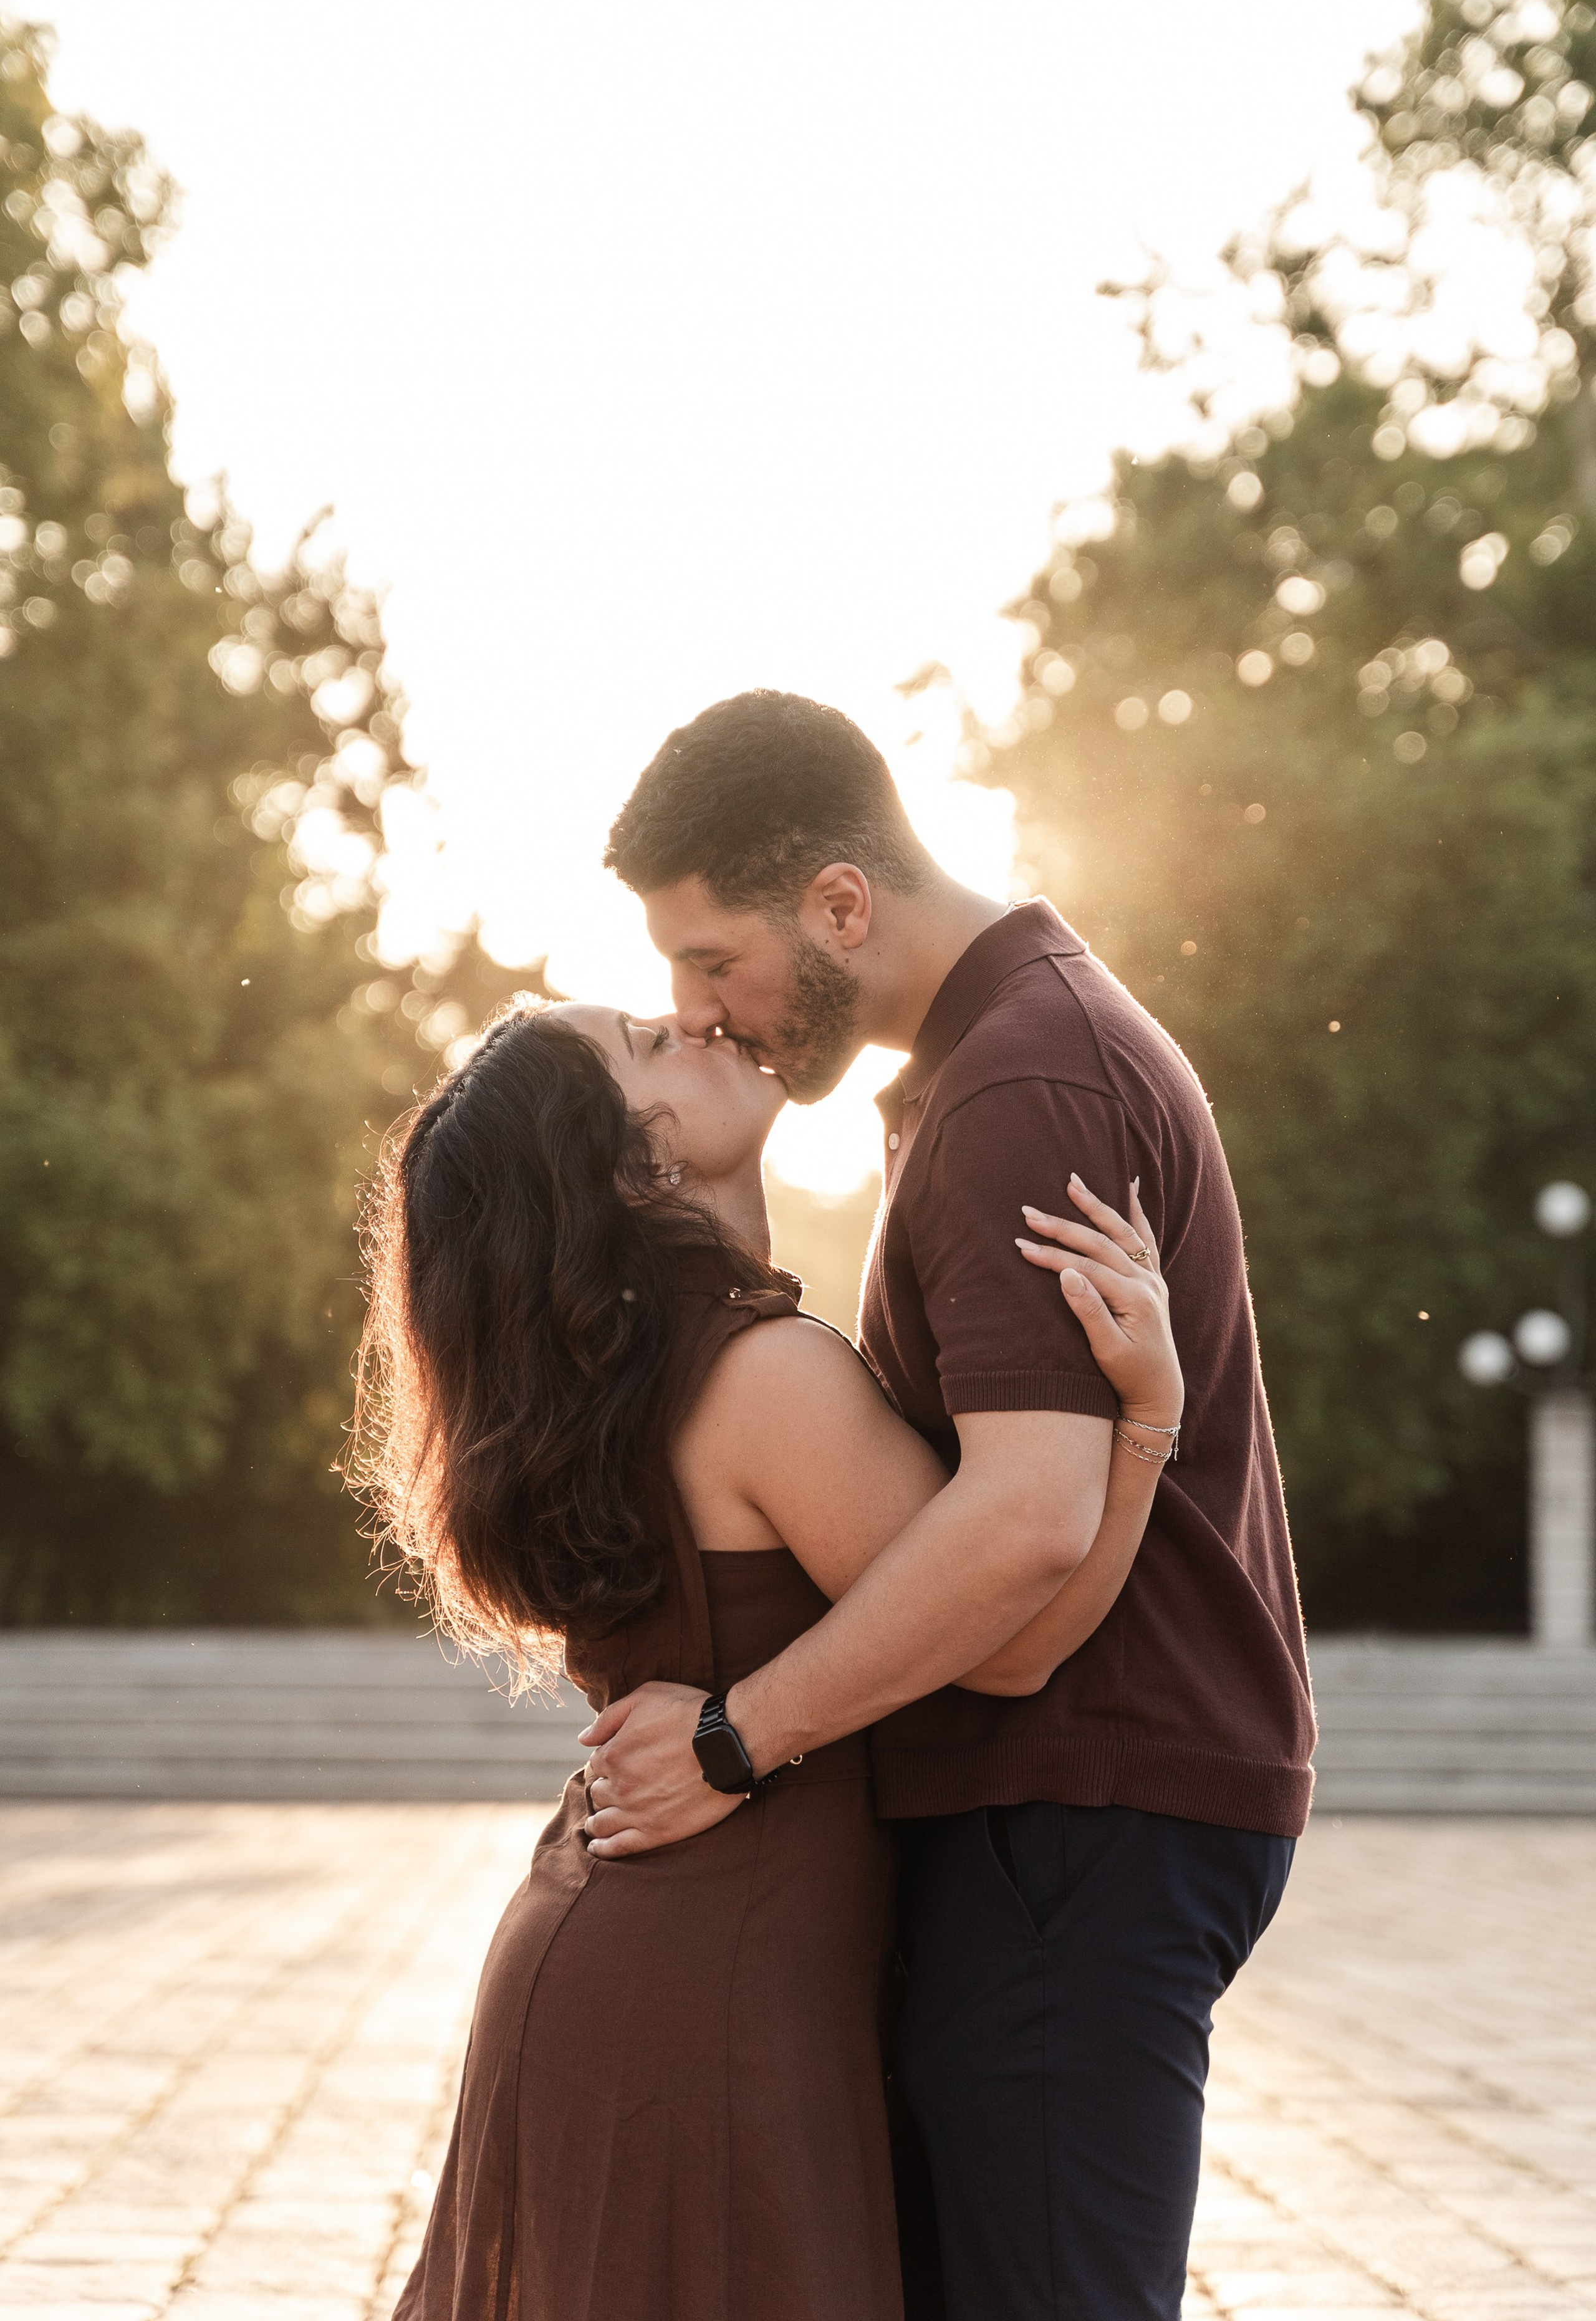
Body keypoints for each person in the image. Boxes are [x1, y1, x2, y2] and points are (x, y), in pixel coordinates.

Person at [583, 688, 1316, 2321]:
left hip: (1082, 1796)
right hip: (1086, 1800)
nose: (704, 1013)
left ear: (842, 902)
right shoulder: (1006, 1057)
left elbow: (1022, 1525)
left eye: (715, 962)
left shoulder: (1016, 1090)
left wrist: (731, 1738)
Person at [356, 992, 1184, 2321]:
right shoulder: (762, 1377)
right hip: (710, 1990)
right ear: (642, 1163)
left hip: (633, 1953)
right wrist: (1145, 1420)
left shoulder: (648, 1380)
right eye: (644, 1044)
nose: (688, 1017)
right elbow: (1018, 1642)